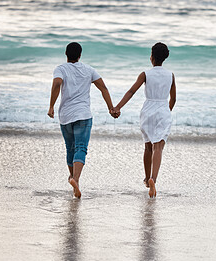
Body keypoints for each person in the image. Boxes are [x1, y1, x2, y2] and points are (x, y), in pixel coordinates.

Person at [48, 42, 118, 199]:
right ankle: (76, 179)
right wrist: (111, 108)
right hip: (83, 115)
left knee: (70, 148)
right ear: (80, 55)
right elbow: (103, 88)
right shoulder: (89, 70)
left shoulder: (60, 69)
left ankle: (73, 179)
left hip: (65, 116)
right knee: (81, 148)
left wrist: (51, 106)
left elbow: (57, 84)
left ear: (66, 54)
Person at [112, 42, 176, 198]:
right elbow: (173, 99)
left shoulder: (145, 74)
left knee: (148, 147)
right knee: (158, 147)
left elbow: (131, 91)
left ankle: (147, 180)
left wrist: (117, 107)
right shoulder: (171, 75)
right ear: (165, 58)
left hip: (147, 110)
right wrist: (166, 112)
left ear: (151, 57)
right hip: (163, 109)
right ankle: (154, 178)